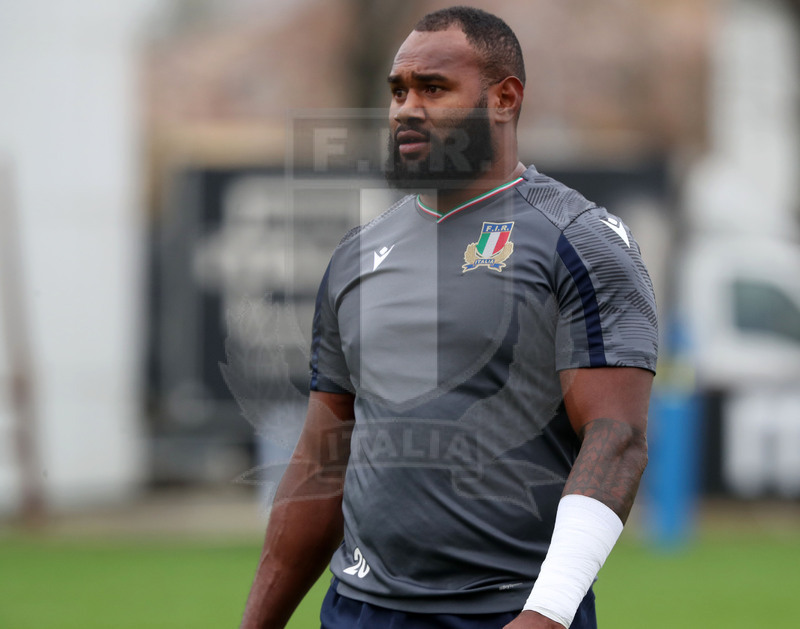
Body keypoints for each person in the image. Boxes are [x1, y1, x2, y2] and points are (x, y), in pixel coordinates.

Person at [241, 6, 658, 629]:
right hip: (361, 612)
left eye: (433, 88)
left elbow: (616, 441)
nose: (406, 108)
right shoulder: (357, 255)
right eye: (397, 90)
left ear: (504, 98)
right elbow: (323, 455)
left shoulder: (578, 238)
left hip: (510, 612)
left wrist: (547, 613)